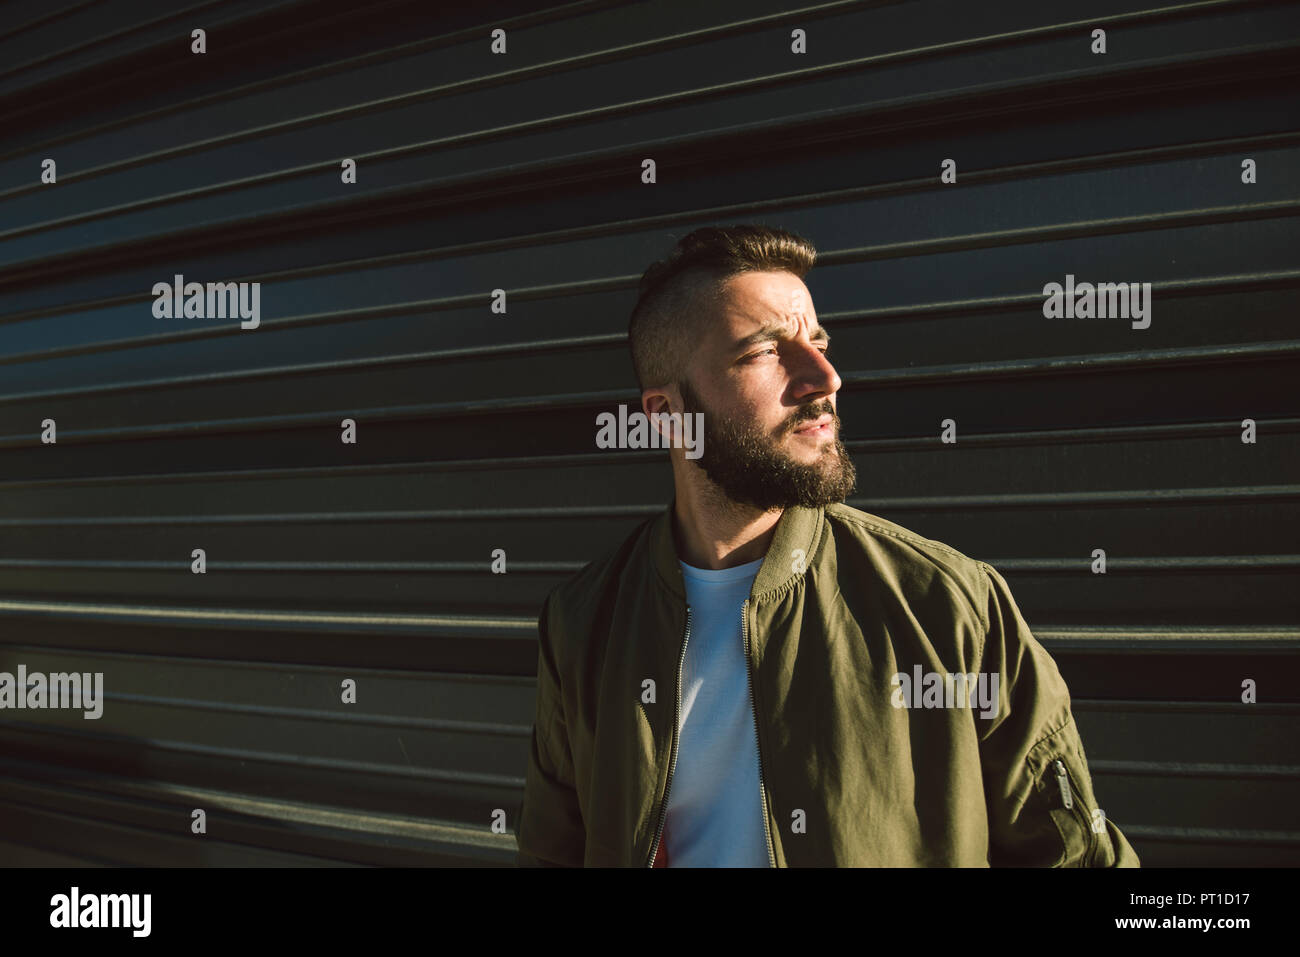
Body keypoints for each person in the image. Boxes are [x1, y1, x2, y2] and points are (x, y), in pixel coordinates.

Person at [515, 224, 1139, 867]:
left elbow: (1075, 857)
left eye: (817, 341)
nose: (825, 377)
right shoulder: (584, 623)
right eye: (765, 351)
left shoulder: (948, 607)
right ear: (669, 415)